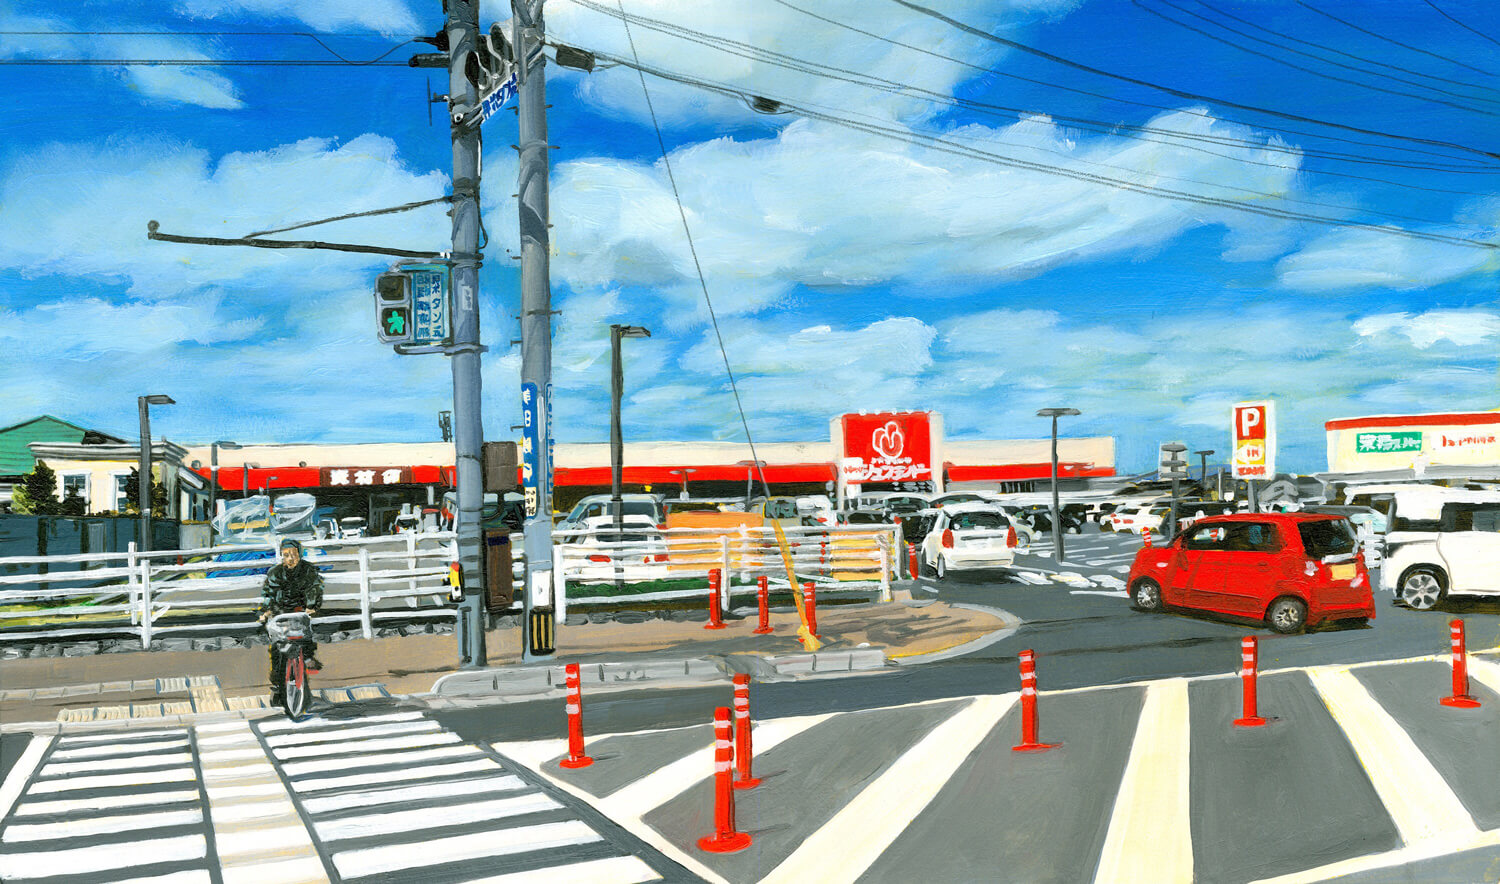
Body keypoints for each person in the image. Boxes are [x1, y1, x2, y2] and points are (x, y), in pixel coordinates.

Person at [257, 538, 324, 703]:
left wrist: (311, 606)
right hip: (280, 612)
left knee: (304, 635)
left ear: (299, 554)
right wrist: (265, 611)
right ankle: (277, 687)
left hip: (301, 610)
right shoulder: (275, 573)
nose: (290, 558)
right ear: (282, 556)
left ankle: (307, 657)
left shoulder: (308, 570)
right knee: (277, 648)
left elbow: (315, 588)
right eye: (286, 555)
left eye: (293, 554)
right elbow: (269, 593)